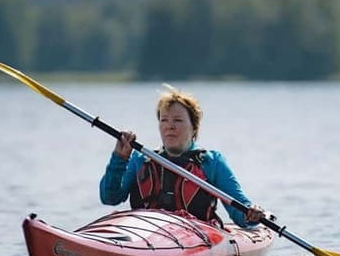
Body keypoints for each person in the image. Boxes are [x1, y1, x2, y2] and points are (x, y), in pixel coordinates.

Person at [99, 85, 265, 228]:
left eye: (177, 120)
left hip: (196, 238)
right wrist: (119, 159)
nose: (169, 126)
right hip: (146, 234)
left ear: (194, 127)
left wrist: (251, 214)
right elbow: (109, 198)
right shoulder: (140, 159)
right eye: (164, 120)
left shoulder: (211, 163)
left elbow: (239, 211)